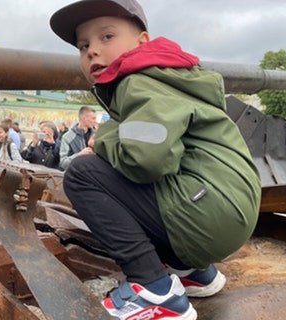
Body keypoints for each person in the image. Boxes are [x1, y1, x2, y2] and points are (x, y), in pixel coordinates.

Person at [50, 1, 262, 319]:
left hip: (209, 212)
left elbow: (145, 160)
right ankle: (191, 269)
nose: (93, 50)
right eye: (84, 45)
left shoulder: (138, 81)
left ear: (143, 42)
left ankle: (154, 289)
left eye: (106, 36)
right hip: (228, 209)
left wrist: (104, 139)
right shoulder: (168, 77)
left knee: (82, 174)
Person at [58, 105, 96, 170]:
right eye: (93, 118)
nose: (95, 121)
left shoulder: (96, 135)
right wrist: (79, 155)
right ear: (83, 118)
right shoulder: (67, 137)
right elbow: (63, 163)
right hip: (76, 176)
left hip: (93, 176)